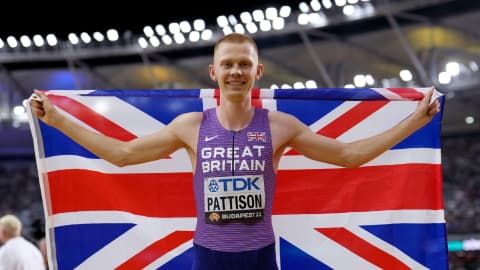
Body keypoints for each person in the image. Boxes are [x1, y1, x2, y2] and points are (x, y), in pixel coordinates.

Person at [30, 33, 440, 270]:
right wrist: (59, 120)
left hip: (261, 257)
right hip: (208, 257)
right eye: (227, 64)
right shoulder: (190, 126)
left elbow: (348, 156)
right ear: (214, 72)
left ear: (257, 71)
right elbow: (121, 154)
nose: (236, 72)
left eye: (244, 64)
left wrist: (414, 122)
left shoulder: (280, 126)